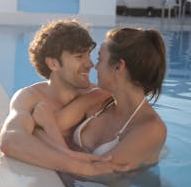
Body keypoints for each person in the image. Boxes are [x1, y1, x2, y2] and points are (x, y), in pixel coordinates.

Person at [0, 19, 124, 176]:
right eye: (79, 57)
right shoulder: (31, 98)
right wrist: (82, 166)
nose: (90, 64)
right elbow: (11, 141)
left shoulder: (100, 96)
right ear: (53, 64)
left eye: (89, 55)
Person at [32, 27, 167, 172]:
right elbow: (37, 131)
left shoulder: (151, 129)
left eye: (100, 59)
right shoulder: (97, 100)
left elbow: (95, 174)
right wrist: (72, 154)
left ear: (118, 67)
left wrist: (51, 128)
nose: (94, 66)